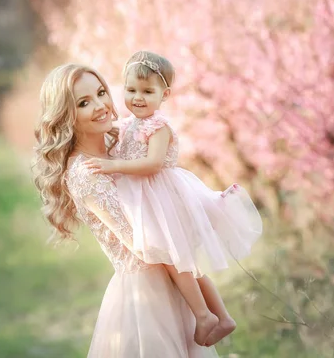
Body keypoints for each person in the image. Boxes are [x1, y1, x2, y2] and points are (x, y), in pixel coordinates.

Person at [33, 63, 220, 357]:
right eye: (83, 103)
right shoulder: (86, 173)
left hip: (172, 283)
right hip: (145, 298)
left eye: (101, 93)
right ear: (66, 115)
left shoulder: (118, 150)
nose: (99, 106)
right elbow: (145, 240)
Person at [83, 51, 263, 346]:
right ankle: (222, 316)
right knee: (183, 261)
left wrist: (113, 166)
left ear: (164, 94)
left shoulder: (159, 126)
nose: (137, 98)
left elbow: (153, 164)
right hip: (146, 200)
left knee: (176, 260)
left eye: (147, 92)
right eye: (130, 90)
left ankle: (204, 315)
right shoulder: (128, 124)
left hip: (161, 198)